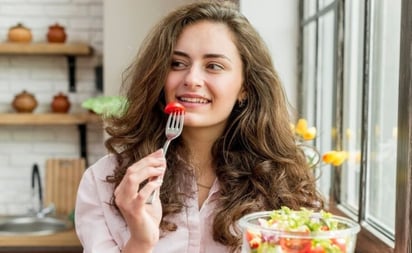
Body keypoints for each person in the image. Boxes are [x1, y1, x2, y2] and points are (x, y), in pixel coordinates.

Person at [74, 1, 324, 253]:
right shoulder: (103, 182)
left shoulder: (285, 182)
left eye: (214, 66)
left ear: (245, 86)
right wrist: (139, 242)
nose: (191, 79)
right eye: (177, 64)